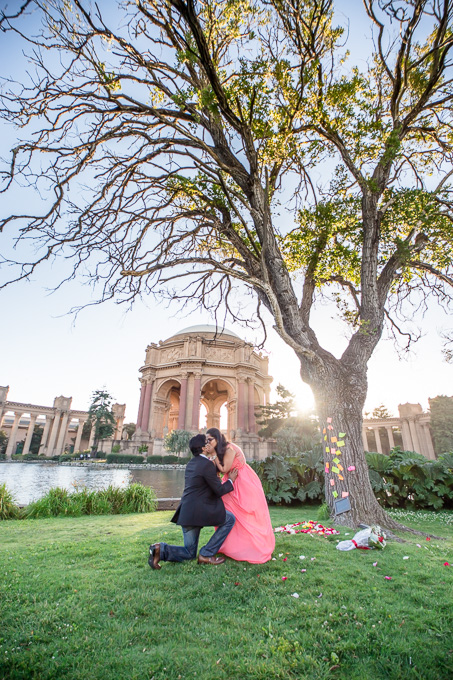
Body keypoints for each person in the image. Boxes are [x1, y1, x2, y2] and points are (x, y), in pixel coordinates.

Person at [148, 434, 238, 569]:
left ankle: (159, 550)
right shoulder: (206, 464)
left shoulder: (191, 463)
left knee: (189, 553)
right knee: (229, 519)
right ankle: (206, 554)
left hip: (187, 512)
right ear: (203, 448)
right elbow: (218, 490)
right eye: (207, 442)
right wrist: (231, 480)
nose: (209, 444)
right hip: (201, 511)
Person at [204, 427, 275, 564]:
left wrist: (212, 455)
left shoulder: (229, 449)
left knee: (244, 515)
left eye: (210, 440)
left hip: (241, 483)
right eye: (206, 440)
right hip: (233, 482)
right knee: (229, 514)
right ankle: (231, 546)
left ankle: (248, 547)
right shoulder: (223, 450)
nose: (207, 442)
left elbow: (225, 468)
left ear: (218, 438)